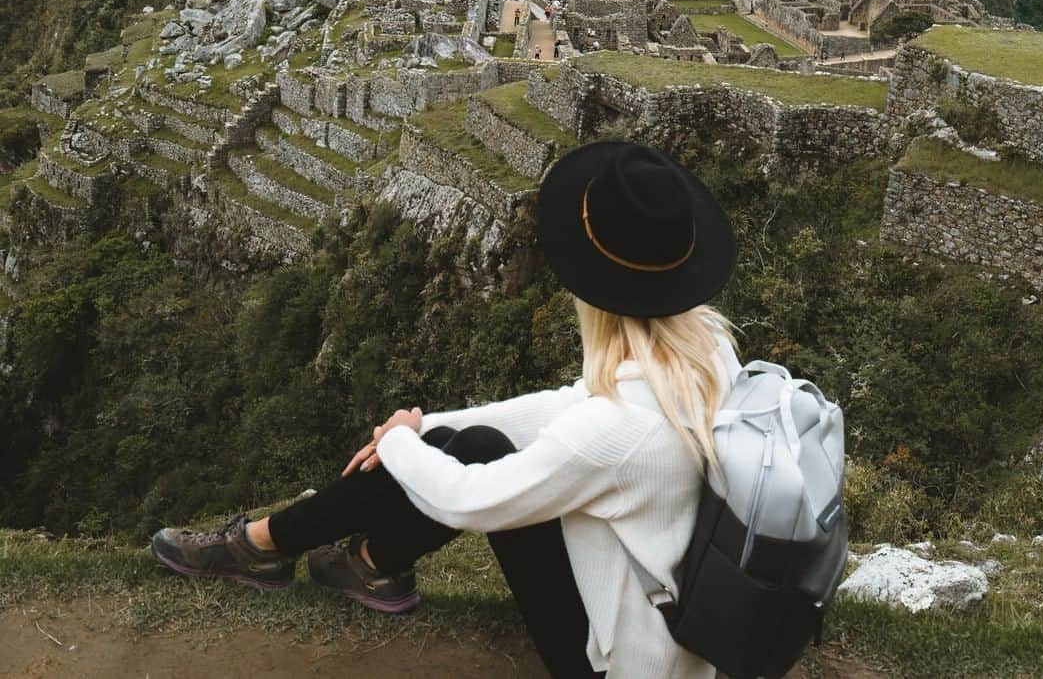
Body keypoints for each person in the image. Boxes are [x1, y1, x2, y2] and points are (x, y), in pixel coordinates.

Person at [150, 143, 738, 678]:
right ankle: (352, 560)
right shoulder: (708, 352)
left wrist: (402, 443)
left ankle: (261, 547)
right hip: (685, 634)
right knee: (477, 440)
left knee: (471, 464)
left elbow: (470, 501)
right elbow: (572, 407)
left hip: (622, 669)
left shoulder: (619, 433)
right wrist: (425, 427)